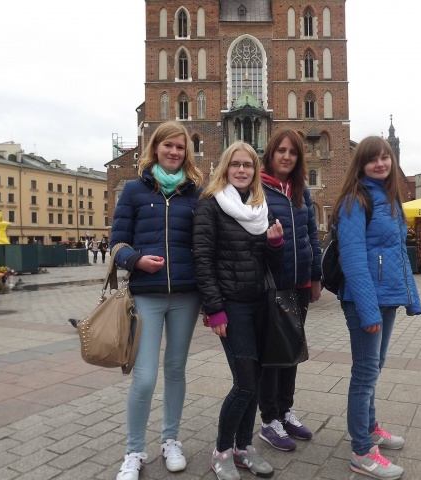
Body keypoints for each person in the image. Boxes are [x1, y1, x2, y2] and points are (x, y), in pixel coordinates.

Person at [110, 121, 204, 480]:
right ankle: (134, 450)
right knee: (145, 376)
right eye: (168, 145)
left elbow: (204, 243)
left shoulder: (195, 192)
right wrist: (136, 260)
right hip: (146, 295)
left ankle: (170, 440)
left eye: (180, 147)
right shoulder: (134, 190)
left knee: (176, 370)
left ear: (186, 152)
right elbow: (117, 243)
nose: (174, 152)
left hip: (186, 295)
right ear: (155, 148)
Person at [332, 136, 421, 479]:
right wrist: (368, 311)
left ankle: (369, 429)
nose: (380, 164)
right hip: (363, 301)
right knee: (365, 373)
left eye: (385, 158)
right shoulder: (355, 201)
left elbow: (397, 253)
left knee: (375, 368)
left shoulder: (391, 199)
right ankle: (361, 451)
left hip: (386, 298)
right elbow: (354, 260)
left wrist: (411, 298)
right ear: (361, 164)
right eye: (373, 159)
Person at [193, 141, 283, 480]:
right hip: (232, 306)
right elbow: (203, 260)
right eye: (236, 164)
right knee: (245, 384)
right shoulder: (211, 204)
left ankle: (244, 447)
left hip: (260, 303)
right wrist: (214, 308)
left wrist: (275, 243)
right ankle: (222, 451)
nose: (242, 170)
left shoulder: (260, 207)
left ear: (255, 170)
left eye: (248, 164)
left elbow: (270, 263)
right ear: (225, 168)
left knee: (255, 382)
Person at [258, 129, 322, 451]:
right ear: (271, 153)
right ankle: (269, 419)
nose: (286, 156)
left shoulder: (301, 191)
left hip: (300, 283)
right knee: (272, 354)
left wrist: (316, 276)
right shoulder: (258, 189)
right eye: (281, 150)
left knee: (292, 352)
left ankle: (285, 411)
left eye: (293, 152)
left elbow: (312, 235)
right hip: (273, 285)